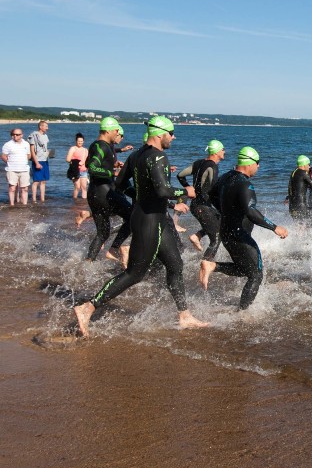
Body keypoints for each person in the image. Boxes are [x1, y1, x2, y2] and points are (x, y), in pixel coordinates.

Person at [73, 116, 206, 337]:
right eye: (171, 132)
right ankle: (88, 307)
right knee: (135, 273)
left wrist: (145, 198)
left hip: (152, 217)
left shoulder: (136, 156)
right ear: (160, 134)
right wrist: (185, 192)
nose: (173, 137)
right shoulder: (159, 157)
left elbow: (119, 185)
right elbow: (163, 190)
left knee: (175, 264)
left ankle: (184, 315)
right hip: (148, 221)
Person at [199, 147, 288, 309]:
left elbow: (211, 194)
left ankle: (213, 266)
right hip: (239, 235)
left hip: (226, 232)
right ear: (249, 163)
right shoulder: (245, 184)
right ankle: (242, 313)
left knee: (245, 269)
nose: (259, 167)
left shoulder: (226, 177)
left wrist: (226, 211)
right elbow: (251, 212)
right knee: (256, 275)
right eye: (258, 163)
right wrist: (275, 227)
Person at [84, 117, 133, 265]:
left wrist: (112, 164)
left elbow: (88, 162)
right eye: (116, 130)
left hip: (94, 193)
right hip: (103, 192)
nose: (118, 132)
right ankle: (114, 249)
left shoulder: (98, 145)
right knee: (132, 216)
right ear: (108, 130)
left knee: (103, 233)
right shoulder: (102, 146)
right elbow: (92, 167)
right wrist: (113, 173)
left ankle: (88, 263)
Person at [177, 140, 225, 260]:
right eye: (223, 149)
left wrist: (187, 186)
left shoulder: (199, 163)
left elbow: (180, 175)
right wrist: (222, 206)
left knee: (221, 222)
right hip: (202, 207)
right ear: (217, 151)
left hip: (196, 205)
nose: (224, 151)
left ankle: (197, 235)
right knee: (216, 239)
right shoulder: (212, 166)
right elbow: (214, 190)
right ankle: (205, 265)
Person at [287, 154, 312, 224]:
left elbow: (293, 187)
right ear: (304, 164)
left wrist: (287, 197)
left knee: (300, 226)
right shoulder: (303, 173)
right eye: (308, 164)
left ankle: (296, 235)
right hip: (301, 207)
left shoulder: (293, 173)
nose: (309, 167)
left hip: (292, 207)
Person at [2, 127, 32, 205]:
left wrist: (24, 162)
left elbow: (29, 155)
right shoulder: (8, 144)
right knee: (12, 188)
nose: (15, 136)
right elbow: (3, 156)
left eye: (17, 134)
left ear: (21, 135)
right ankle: (12, 205)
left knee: (25, 188)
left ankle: (24, 204)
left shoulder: (26, 144)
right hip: (12, 169)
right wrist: (9, 163)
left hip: (24, 169)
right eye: (13, 134)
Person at [28, 120, 50, 203]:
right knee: (36, 181)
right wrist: (36, 162)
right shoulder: (34, 135)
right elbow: (32, 150)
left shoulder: (45, 136)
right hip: (38, 160)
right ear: (41, 127)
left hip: (45, 160)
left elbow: (45, 148)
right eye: (46, 126)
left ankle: (42, 199)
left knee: (44, 180)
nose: (47, 128)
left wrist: (48, 153)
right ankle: (34, 199)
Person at [66, 133, 89, 199]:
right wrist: (76, 163)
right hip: (75, 171)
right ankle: (75, 201)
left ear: (83, 141)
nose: (80, 142)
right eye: (79, 141)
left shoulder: (85, 150)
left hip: (84, 171)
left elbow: (87, 160)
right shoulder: (73, 148)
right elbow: (68, 159)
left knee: (84, 187)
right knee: (77, 187)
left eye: (81, 141)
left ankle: (84, 202)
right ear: (76, 141)